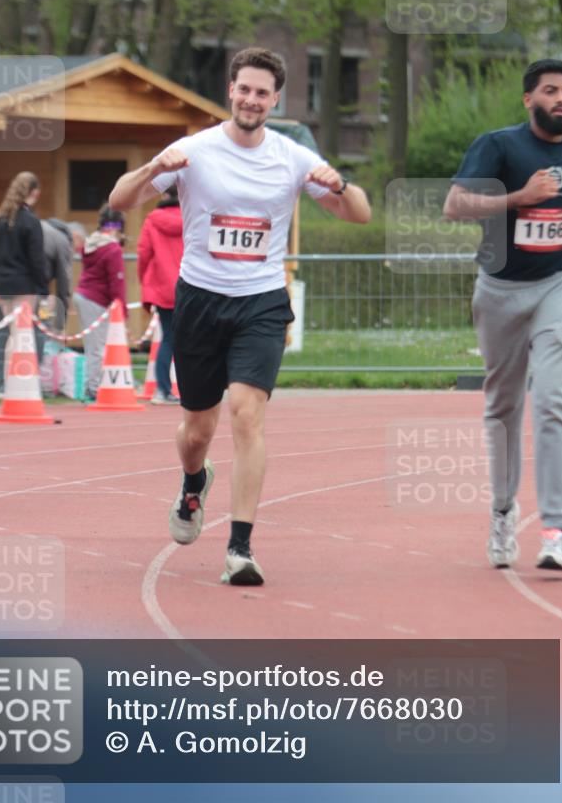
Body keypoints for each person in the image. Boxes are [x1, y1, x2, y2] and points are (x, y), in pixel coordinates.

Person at [110, 47, 371, 585]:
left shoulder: (293, 158)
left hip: (261, 301)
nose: (252, 100)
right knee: (196, 431)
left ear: (276, 100)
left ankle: (240, 548)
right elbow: (119, 200)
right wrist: (156, 167)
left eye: (263, 93)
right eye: (244, 89)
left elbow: (359, 214)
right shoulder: (193, 150)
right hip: (201, 299)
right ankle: (191, 483)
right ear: (231, 91)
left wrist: (341, 185)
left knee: (247, 415)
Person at [443, 58, 562, 572]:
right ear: (529, 99)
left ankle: (555, 530)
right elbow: (454, 207)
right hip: (499, 291)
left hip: (558, 286)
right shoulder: (498, 145)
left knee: (554, 400)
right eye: (551, 91)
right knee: (503, 409)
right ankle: (503, 512)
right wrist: (521, 198)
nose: (561, 99)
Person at [0, 171, 48, 397]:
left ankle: (5, 384)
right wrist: (44, 287)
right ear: (34, 193)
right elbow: (36, 259)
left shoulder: (1, 219)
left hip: (3, 282)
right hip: (23, 284)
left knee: (9, 333)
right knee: (20, 334)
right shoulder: (30, 221)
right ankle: (17, 381)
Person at [73, 204, 127, 400]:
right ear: (118, 226)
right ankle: (93, 389)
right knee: (97, 347)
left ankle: (92, 385)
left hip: (84, 295)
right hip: (95, 299)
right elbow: (117, 282)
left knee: (93, 345)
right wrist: (122, 309)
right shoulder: (112, 249)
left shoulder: (92, 243)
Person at [137, 186, 184, 405]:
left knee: (168, 339)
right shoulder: (193, 216)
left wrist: (145, 281)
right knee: (194, 341)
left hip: (163, 288)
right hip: (191, 286)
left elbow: (143, 253)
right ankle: (193, 389)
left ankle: (163, 390)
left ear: (164, 196)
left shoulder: (152, 220)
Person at [40, 218, 86, 333]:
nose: (75, 252)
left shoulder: (42, 227)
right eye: (77, 248)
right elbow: (63, 283)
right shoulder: (63, 241)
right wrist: (60, 324)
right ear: (75, 236)